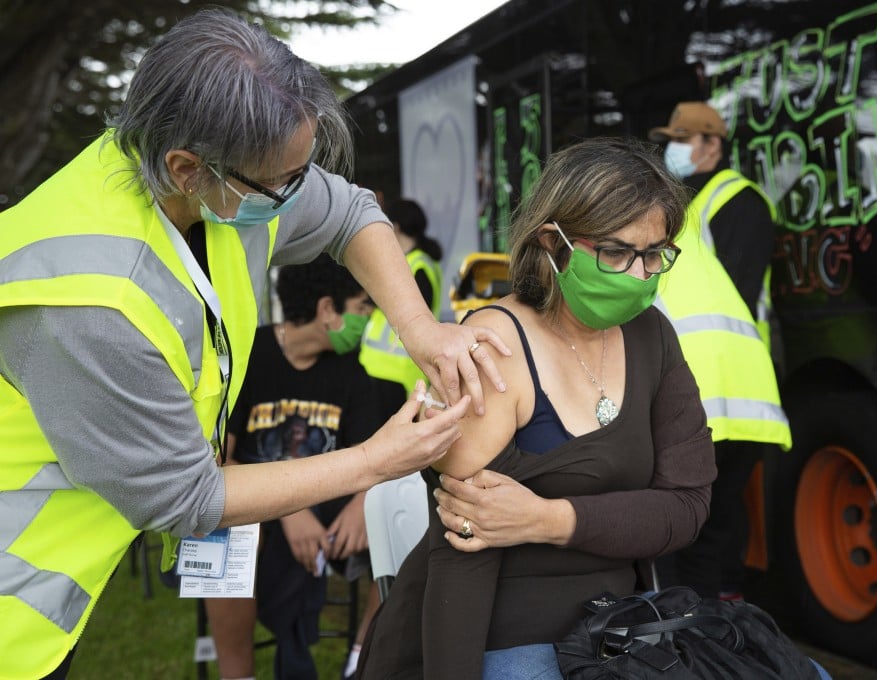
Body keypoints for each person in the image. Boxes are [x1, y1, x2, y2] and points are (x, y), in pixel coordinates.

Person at [0, 10, 510, 680]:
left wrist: (422, 330)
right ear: (186, 168)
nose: (300, 195)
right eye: (283, 182)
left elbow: (352, 212)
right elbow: (184, 498)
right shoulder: (93, 305)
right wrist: (373, 463)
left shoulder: (210, 176)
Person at [358, 137, 718, 679]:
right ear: (554, 242)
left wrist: (547, 519)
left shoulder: (653, 336)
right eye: (617, 253)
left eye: (655, 254)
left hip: (617, 632)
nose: (641, 276)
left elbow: (686, 508)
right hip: (504, 641)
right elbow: (463, 555)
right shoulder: (493, 345)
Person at [203, 255, 384, 680]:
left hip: (332, 513)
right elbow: (217, 462)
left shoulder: (353, 373)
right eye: (362, 307)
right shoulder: (248, 356)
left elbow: (376, 457)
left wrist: (362, 502)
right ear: (327, 310)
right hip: (256, 509)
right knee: (226, 531)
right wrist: (285, 507)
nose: (369, 319)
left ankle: (361, 662)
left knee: (403, 527)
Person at [647, 100, 792, 600]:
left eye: (684, 139)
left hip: (722, 378)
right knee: (714, 518)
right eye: (671, 139)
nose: (673, 150)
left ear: (714, 144)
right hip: (726, 382)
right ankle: (722, 626)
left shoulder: (738, 200)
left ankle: (709, 635)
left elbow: (737, 293)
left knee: (704, 522)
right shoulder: (683, 203)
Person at [359, 198, 444, 407]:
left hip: (397, 375)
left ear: (394, 226)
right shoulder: (408, 261)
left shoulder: (418, 265)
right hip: (380, 371)